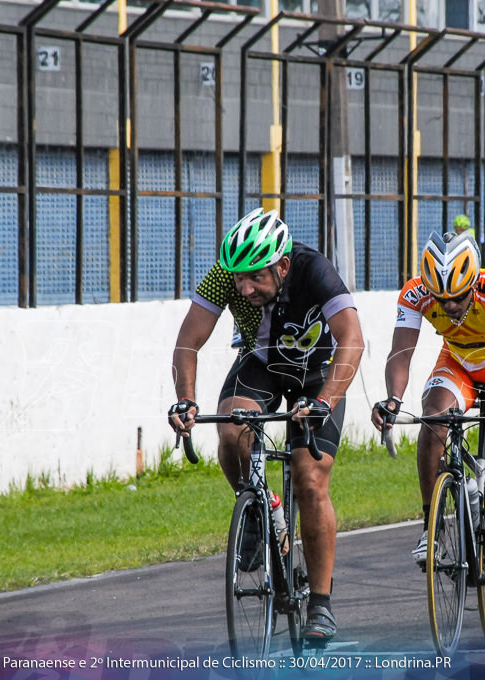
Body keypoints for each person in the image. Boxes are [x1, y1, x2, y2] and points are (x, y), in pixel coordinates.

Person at [169, 207, 364, 642]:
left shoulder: (314, 269)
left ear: (282, 266)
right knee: (232, 433)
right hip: (262, 364)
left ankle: (320, 604)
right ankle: (261, 507)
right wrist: (185, 398)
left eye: (255, 277)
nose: (245, 287)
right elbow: (188, 342)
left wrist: (324, 402)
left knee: (310, 479)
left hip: (318, 373)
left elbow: (352, 338)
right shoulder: (226, 275)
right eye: (238, 278)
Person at [370, 231, 485, 597]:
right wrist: (393, 400)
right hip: (458, 365)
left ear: (475, 280)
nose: (449, 307)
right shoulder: (414, 293)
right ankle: (431, 529)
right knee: (432, 422)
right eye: (441, 299)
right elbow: (401, 352)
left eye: (459, 297)